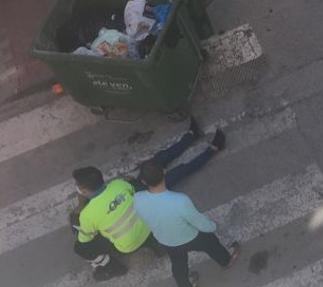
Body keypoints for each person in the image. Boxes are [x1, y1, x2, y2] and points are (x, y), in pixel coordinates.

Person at [70, 119, 226, 281]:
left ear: (84, 189)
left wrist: (82, 206)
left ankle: (107, 265)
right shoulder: (118, 185)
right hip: (148, 222)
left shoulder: (87, 215)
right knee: (162, 167)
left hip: (130, 243)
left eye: (78, 186)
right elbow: (132, 189)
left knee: (79, 246)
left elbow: (84, 241)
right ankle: (195, 139)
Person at [134, 159, 240, 287]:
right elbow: (199, 222)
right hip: (190, 236)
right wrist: (212, 226)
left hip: (166, 240)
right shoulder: (180, 200)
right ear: (164, 172)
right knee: (212, 243)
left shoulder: (137, 198)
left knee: (178, 266)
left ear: (143, 181)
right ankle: (226, 261)